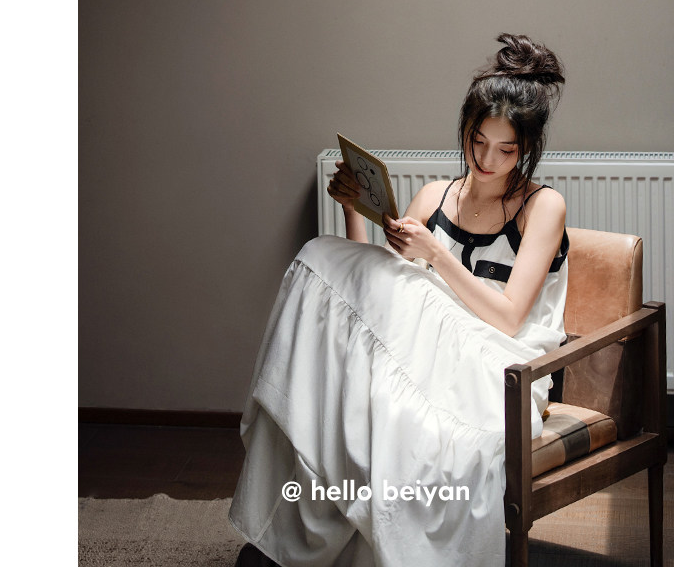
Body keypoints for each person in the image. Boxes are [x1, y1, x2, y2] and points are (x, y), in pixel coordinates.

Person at [229, 34, 568, 567]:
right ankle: (300, 540)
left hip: (496, 369)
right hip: (419, 358)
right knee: (324, 261)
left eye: (506, 150)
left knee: (336, 275)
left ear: (527, 149)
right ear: (465, 130)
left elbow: (508, 319)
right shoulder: (435, 196)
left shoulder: (542, 207)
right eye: (478, 141)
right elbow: (377, 301)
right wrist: (354, 212)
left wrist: (434, 254)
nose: (487, 159)